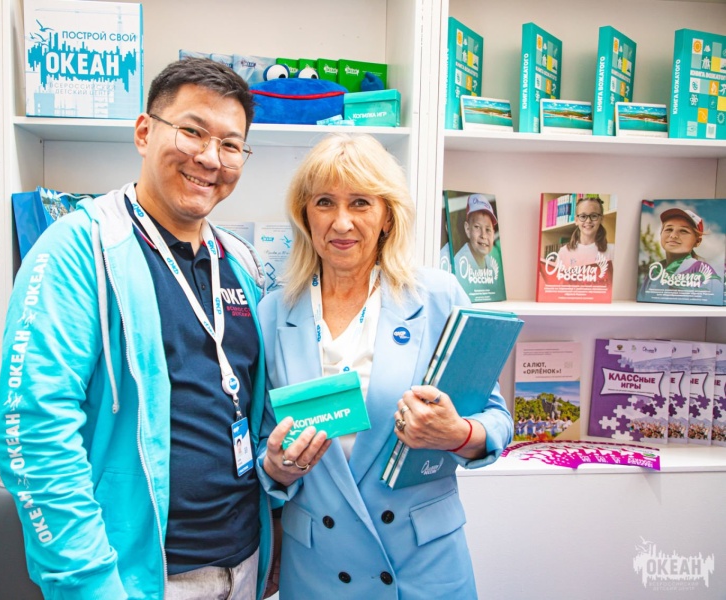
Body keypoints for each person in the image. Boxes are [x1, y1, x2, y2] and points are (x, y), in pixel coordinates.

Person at [0, 57, 277, 600]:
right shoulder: (79, 250)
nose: (210, 158)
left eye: (231, 144)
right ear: (145, 132)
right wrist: (89, 584)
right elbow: (32, 428)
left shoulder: (240, 262)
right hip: (138, 577)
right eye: (192, 131)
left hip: (244, 563)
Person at [255, 134, 512, 598]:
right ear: (305, 214)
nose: (342, 222)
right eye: (325, 202)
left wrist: (456, 434)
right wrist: (277, 468)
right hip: (319, 568)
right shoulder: (273, 312)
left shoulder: (439, 297)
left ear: (387, 215)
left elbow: (496, 419)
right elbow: (262, 442)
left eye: (360, 202)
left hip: (421, 567)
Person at [638, 207, 723, 301]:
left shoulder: (703, 271)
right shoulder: (654, 272)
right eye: (669, 229)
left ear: (697, 241)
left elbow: (715, 300)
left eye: (683, 231)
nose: (673, 235)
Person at [555, 195, 614, 268]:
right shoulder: (564, 252)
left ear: (601, 219)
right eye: (583, 216)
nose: (588, 221)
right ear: (576, 220)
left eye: (594, 216)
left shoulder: (612, 251)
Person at [454, 193, 499, 272]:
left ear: (493, 233)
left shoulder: (493, 261)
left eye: (488, 229)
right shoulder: (459, 265)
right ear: (468, 229)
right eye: (477, 227)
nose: (483, 235)